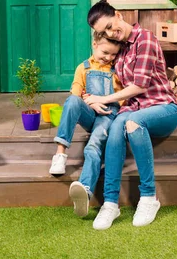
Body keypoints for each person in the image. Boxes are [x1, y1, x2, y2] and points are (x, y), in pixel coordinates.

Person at [84, 0, 177, 230]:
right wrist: (89, 98)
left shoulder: (144, 39)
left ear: (118, 14)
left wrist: (103, 99)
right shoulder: (120, 48)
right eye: (102, 32)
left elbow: (140, 86)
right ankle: (110, 203)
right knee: (117, 125)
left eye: (109, 26)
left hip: (163, 108)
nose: (110, 33)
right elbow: (98, 69)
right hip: (134, 109)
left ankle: (149, 197)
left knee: (132, 123)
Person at [49, 32, 123, 217]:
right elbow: (76, 91)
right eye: (105, 52)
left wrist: (102, 101)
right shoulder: (83, 68)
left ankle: (85, 190)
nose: (109, 58)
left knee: (93, 146)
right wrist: (90, 102)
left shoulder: (117, 70)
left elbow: (122, 97)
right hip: (91, 113)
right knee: (72, 101)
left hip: (107, 116)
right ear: (95, 44)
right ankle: (60, 154)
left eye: (114, 55)